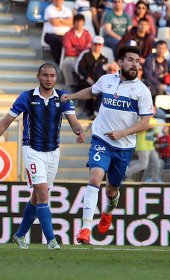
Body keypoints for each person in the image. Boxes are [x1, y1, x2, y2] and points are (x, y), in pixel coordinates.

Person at [61, 45, 153, 244]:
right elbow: (92, 92)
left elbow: (145, 122)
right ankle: (85, 229)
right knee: (95, 179)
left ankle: (107, 213)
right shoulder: (106, 80)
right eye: (130, 60)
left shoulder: (142, 91)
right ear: (119, 63)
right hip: (101, 139)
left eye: (137, 61)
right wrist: (72, 96)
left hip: (124, 147)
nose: (134, 64)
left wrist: (122, 133)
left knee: (111, 190)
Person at [0, 63, 85, 249]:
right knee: (43, 193)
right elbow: (6, 122)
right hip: (32, 150)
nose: (49, 79)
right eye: (45, 75)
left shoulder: (63, 98)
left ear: (56, 77)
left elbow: (74, 122)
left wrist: (79, 131)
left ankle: (20, 235)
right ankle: (52, 240)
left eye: (52, 75)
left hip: (53, 152)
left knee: (37, 196)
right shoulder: (27, 97)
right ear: (37, 76)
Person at [75, 35, 108, 119]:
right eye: (95, 44)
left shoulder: (104, 59)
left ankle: (96, 111)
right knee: (90, 88)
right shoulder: (86, 55)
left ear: (102, 46)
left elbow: (105, 73)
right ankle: (90, 111)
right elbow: (80, 68)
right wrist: (87, 78)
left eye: (99, 44)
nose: (97, 46)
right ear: (92, 44)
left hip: (98, 82)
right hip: (85, 81)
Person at [62, 14, 92, 90]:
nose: (79, 24)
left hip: (85, 57)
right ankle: (71, 84)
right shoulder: (68, 34)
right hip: (72, 57)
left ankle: (86, 84)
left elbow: (89, 49)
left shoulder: (87, 34)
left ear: (83, 23)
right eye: (77, 22)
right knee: (66, 63)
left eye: (81, 22)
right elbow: (68, 51)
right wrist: (82, 49)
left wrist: (75, 48)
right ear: (73, 23)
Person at [43, 0, 73, 64]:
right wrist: (66, 21)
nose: (58, 1)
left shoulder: (67, 9)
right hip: (51, 34)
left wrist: (59, 20)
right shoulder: (49, 9)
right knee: (57, 41)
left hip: (66, 35)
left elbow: (71, 22)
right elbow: (54, 23)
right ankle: (58, 62)